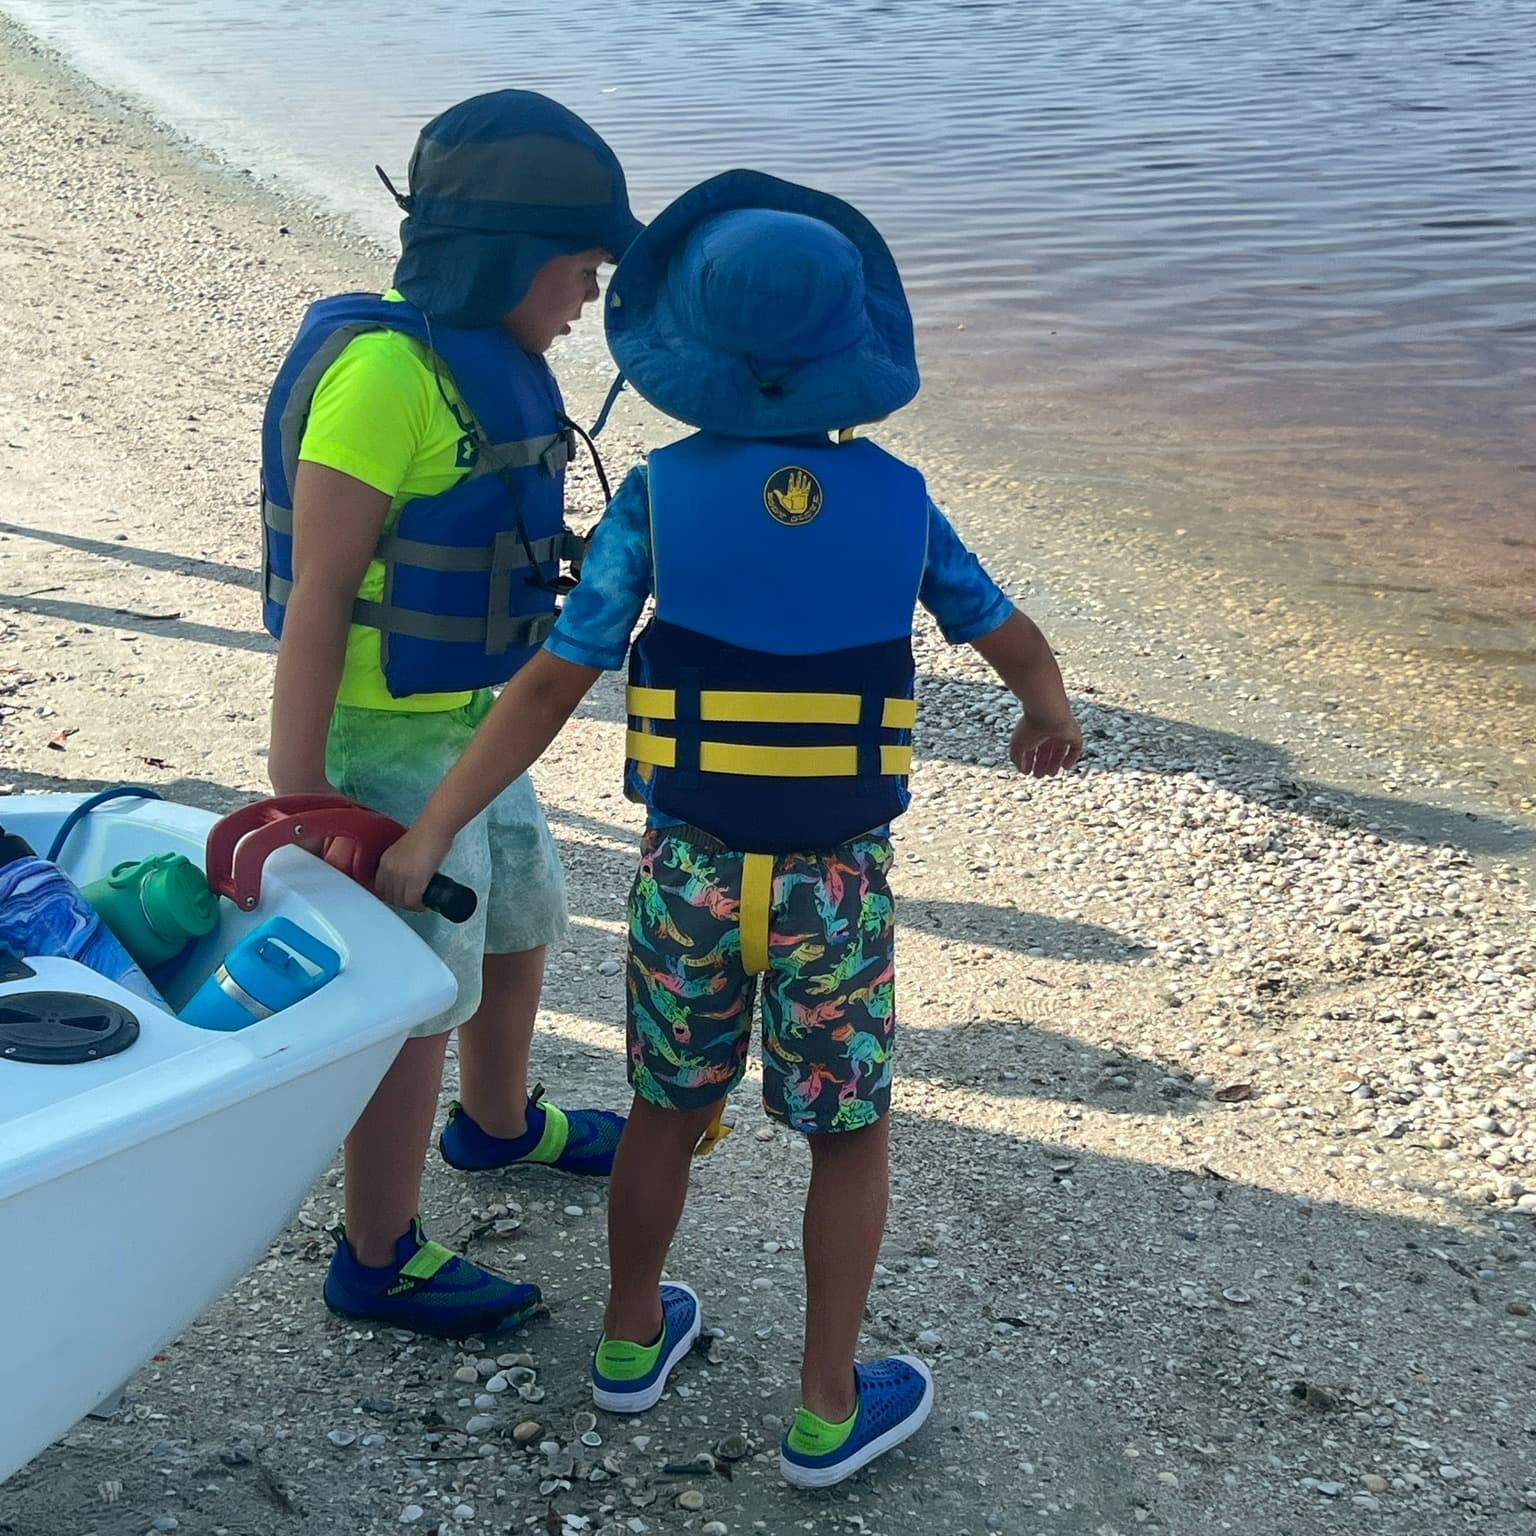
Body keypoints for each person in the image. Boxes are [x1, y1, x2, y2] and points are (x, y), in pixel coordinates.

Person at [375, 169, 1083, 1481]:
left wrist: (432, 829)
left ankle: (631, 1339)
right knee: (846, 1128)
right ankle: (825, 1402)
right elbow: (1002, 630)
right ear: (850, 355)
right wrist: (1046, 709)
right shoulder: (902, 503)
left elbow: (549, 680)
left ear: (692, 350)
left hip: (692, 870)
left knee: (662, 1105)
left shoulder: (655, 500)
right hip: (835, 884)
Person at [259, 90, 643, 1339]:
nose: (589, 297)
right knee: (416, 991)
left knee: (527, 914)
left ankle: (496, 1125)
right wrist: (301, 789)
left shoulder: (501, 365)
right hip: (381, 744)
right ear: (508, 259)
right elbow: (321, 593)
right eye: (582, 269)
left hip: (474, 727)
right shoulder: (383, 376)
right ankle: (376, 1253)